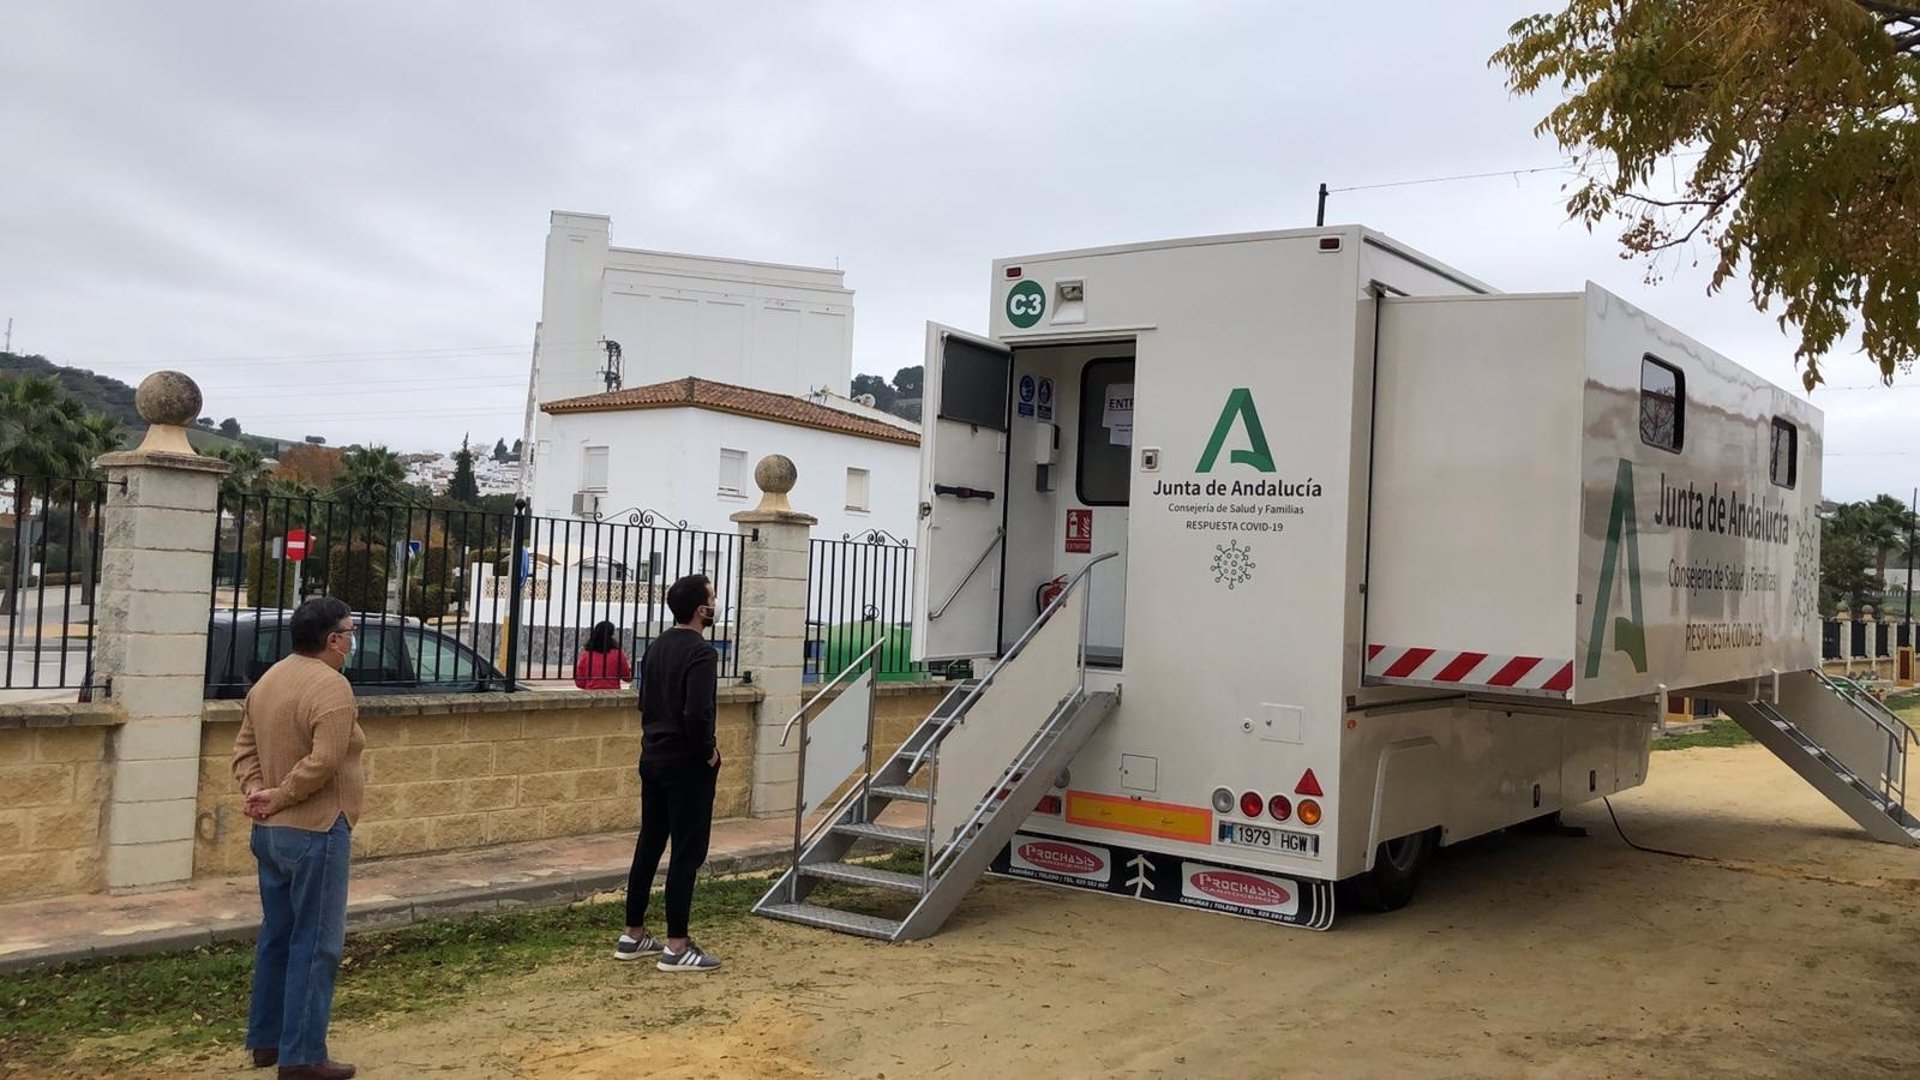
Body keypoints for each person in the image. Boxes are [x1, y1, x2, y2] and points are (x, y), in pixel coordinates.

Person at [231, 597, 365, 1080]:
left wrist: (256, 793)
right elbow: (325, 760)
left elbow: (243, 748)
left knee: (278, 935)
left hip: (270, 834)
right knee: (316, 943)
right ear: (332, 640)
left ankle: (266, 1040)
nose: (352, 641)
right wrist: (281, 795)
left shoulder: (271, 679)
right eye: (349, 632)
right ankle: (304, 1055)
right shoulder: (332, 688)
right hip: (317, 828)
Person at [615, 574, 723, 972]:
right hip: (687, 765)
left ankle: (634, 934)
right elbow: (697, 713)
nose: (715, 602)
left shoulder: (656, 648)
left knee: (650, 843)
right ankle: (677, 947)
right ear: (700, 610)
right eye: (712, 598)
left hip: (653, 759)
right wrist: (708, 752)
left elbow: (646, 702)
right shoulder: (702, 653)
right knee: (687, 852)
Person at [573, 620, 633, 690]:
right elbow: (627, 677)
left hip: (591, 693)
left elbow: (580, 682)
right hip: (613, 693)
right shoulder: (618, 654)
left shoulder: (586, 655)